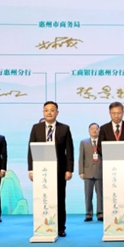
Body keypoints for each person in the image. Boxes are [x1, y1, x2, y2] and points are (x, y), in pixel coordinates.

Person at [27, 100, 74, 237]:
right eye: (46, 110)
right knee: (43, 198)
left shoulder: (64, 128)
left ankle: (60, 228)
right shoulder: (36, 128)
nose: (49, 112)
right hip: (41, 170)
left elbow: (69, 150)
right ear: (43, 112)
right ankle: (42, 224)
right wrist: (31, 169)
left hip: (59, 170)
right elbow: (31, 149)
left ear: (57, 113)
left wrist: (69, 169)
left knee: (59, 199)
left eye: (52, 110)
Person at [98, 101, 124, 235]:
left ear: (123, 112)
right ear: (110, 113)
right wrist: (109, 155)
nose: (116, 116)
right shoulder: (104, 128)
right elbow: (99, 147)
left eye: (119, 113)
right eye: (114, 113)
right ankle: (110, 223)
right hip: (110, 168)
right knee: (111, 196)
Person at [78, 123, 103, 222]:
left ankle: (100, 213)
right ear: (89, 131)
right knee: (88, 195)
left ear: (99, 130)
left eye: (96, 129)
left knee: (100, 195)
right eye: (92, 129)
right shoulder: (84, 142)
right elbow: (81, 158)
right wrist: (81, 171)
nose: (94, 130)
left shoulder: (102, 142)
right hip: (87, 172)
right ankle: (88, 214)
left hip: (100, 171)